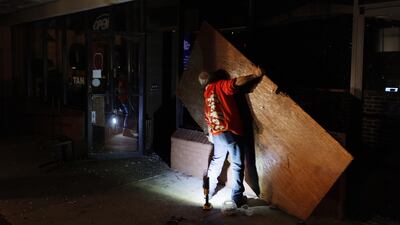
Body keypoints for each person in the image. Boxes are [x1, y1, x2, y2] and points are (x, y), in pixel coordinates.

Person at [201, 67, 264, 207]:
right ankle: (237, 197)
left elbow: (206, 114)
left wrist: (210, 131)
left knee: (217, 162)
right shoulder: (221, 85)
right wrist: (255, 75)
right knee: (237, 164)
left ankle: (208, 192)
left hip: (217, 133)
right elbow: (236, 83)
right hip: (230, 132)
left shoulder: (208, 90)